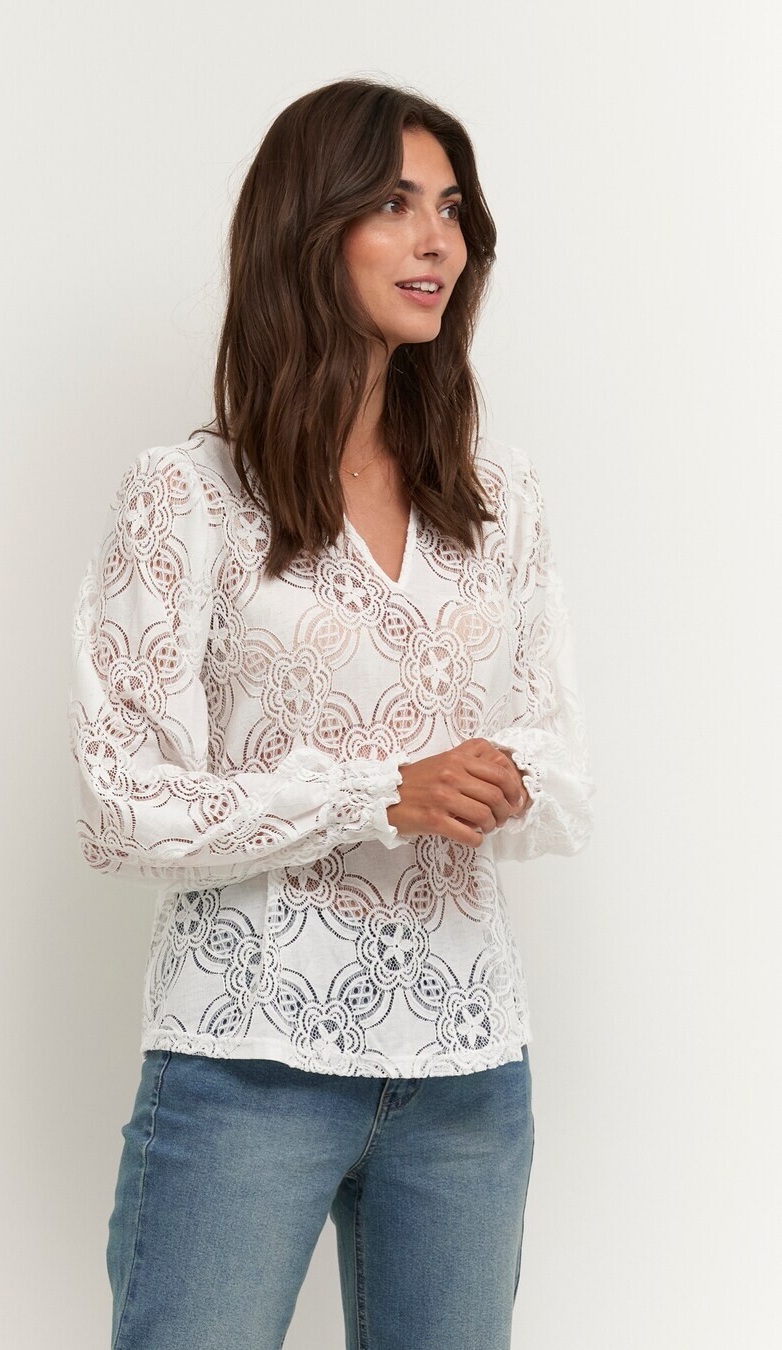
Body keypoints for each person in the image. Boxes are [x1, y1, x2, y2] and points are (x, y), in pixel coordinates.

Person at [68, 77, 594, 1350]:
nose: (437, 241)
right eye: (396, 205)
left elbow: (561, 758)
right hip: (246, 1062)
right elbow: (122, 804)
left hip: (469, 1068)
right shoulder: (188, 495)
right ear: (310, 230)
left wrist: (509, 781)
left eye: (453, 210)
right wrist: (379, 793)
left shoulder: (498, 495)